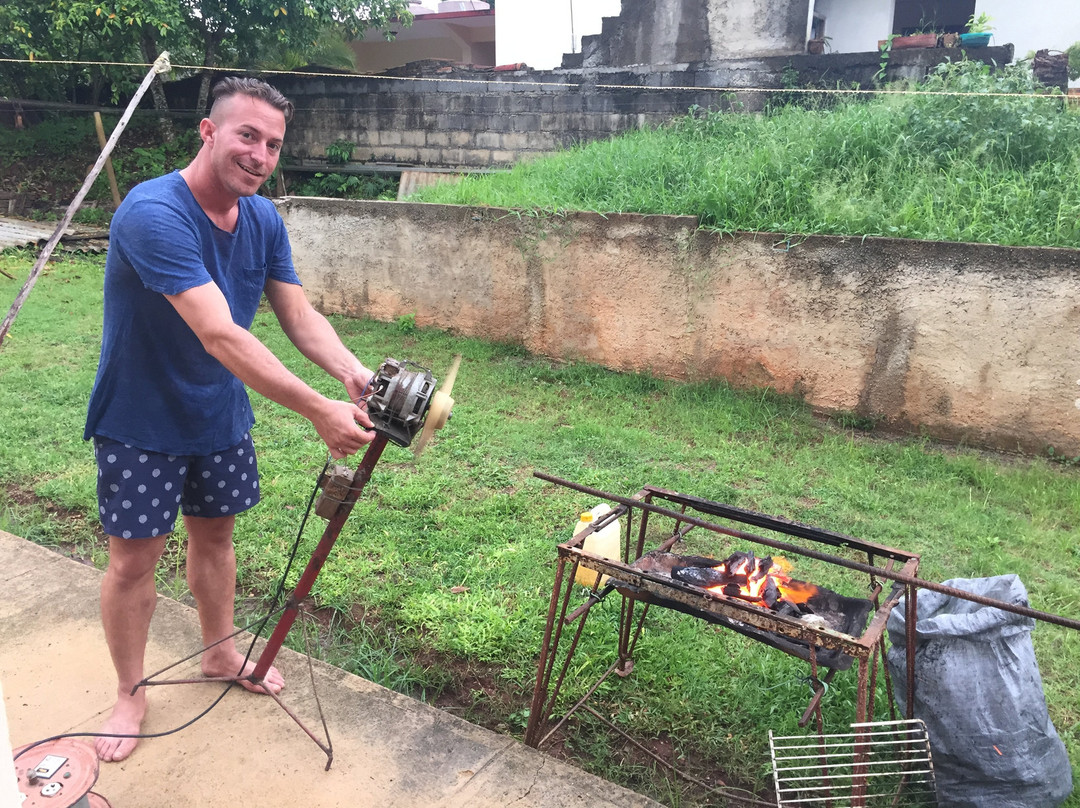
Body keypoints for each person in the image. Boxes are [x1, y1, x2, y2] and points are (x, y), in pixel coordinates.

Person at [83, 76, 376, 763]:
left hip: (220, 411)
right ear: (209, 132)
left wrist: (351, 374)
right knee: (134, 562)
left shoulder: (263, 219)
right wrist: (316, 408)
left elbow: (297, 315)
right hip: (140, 417)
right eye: (248, 135)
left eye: (273, 143)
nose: (261, 154)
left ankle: (220, 656)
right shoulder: (153, 213)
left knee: (215, 540)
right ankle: (129, 690)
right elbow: (219, 332)